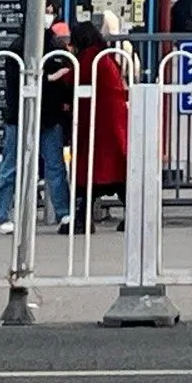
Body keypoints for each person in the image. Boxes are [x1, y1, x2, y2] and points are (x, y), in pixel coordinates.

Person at [68, 22, 129, 232]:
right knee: (116, 171)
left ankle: (82, 219)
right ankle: (131, 215)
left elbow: (75, 77)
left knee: (92, 170)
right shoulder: (105, 55)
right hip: (113, 119)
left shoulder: (91, 57)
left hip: (100, 120)